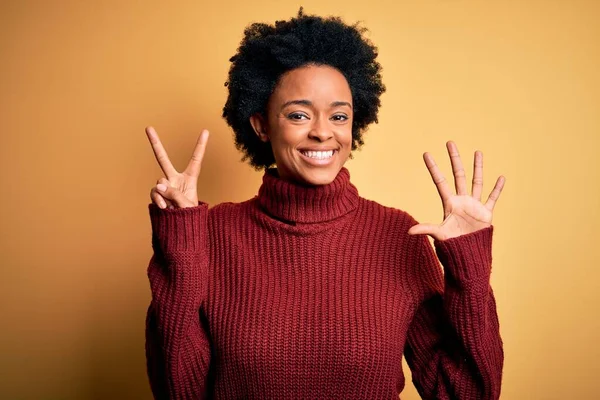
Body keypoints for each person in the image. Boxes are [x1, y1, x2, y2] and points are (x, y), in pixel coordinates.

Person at [144, 8, 506, 400]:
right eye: (298, 115)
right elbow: (179, 391)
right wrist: (180, 246)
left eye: (338, 116)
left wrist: (469, 270)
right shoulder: (212, 233)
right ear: (261, 125)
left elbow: (462, 394)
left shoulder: (400, 235)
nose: (322, 133)